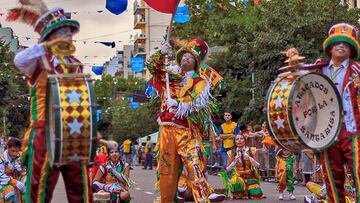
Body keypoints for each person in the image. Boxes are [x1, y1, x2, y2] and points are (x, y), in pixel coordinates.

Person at [8, 3, 91, 202]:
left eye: (70, 33)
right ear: (50, 37)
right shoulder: (38, 61)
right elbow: (18, 61)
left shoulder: (76, 65)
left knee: (80, 187)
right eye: (63, 32)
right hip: (44, 132)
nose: (68, 37)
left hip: (74, 132)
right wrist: (44, 46)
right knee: (39, 189)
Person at [286, 22, 360, 203]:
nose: (341, 46)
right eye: (337, 43)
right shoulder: (318, 68)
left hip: (353, 132)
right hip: (327, 134)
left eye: (346, 43)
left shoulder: (357, 70)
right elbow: (296, 82)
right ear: (330, 47)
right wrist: (293, 57)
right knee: (333, 180)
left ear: (351, 49)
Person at [147, 38, 224, 202]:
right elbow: (152, 67)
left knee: (194, 166)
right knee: (166, 170)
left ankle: (202, 199)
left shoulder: (200, 81)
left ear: (195, 63)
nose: (185, 59)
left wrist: (178, 104)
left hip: (186, 131)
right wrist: (161, 53)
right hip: (166, 130)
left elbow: (198, 103)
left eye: (190, 58)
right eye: (184, 56)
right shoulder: (168, 74)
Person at [220, 134, 265, 199]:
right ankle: (241, 192)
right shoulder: (231, 152)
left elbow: (258, 166)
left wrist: (250, 158)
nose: (239, 141)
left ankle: (249, 190)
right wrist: (234, 162)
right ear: (235, 142)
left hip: (250, 176)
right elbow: (228, 170)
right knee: (237, 187)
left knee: (256, 195)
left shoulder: (252, 150)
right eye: (237, 139)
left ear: (245, 140)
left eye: (241, 139)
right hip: (239, 177)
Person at [0, 138, 26, 203]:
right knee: (10, 192)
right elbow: (2, 177)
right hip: (4, 185)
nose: (15, 154)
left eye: (17, 151)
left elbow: (22, 170)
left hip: (16, 181)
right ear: (8, 147)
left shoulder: (19, 156)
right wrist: (16, 182)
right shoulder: (1, 159)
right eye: (13, 151)